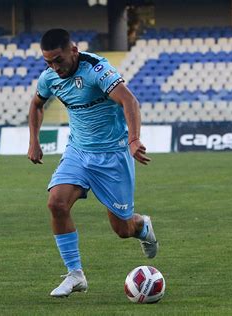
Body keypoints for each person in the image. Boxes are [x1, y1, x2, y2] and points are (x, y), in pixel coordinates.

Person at [27, 29, 158, 298]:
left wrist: (134, 139)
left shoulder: (97, 70)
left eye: (58, 60)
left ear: (73, 50)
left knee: (123, 229)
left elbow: (129, 100)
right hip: (78, 152)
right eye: (48, 62)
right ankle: (75, 275)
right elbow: (36, 105)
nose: (54, 67)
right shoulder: (50, 77)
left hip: (112, 155)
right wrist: (34, 141)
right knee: (56, 203)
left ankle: (142, 227)